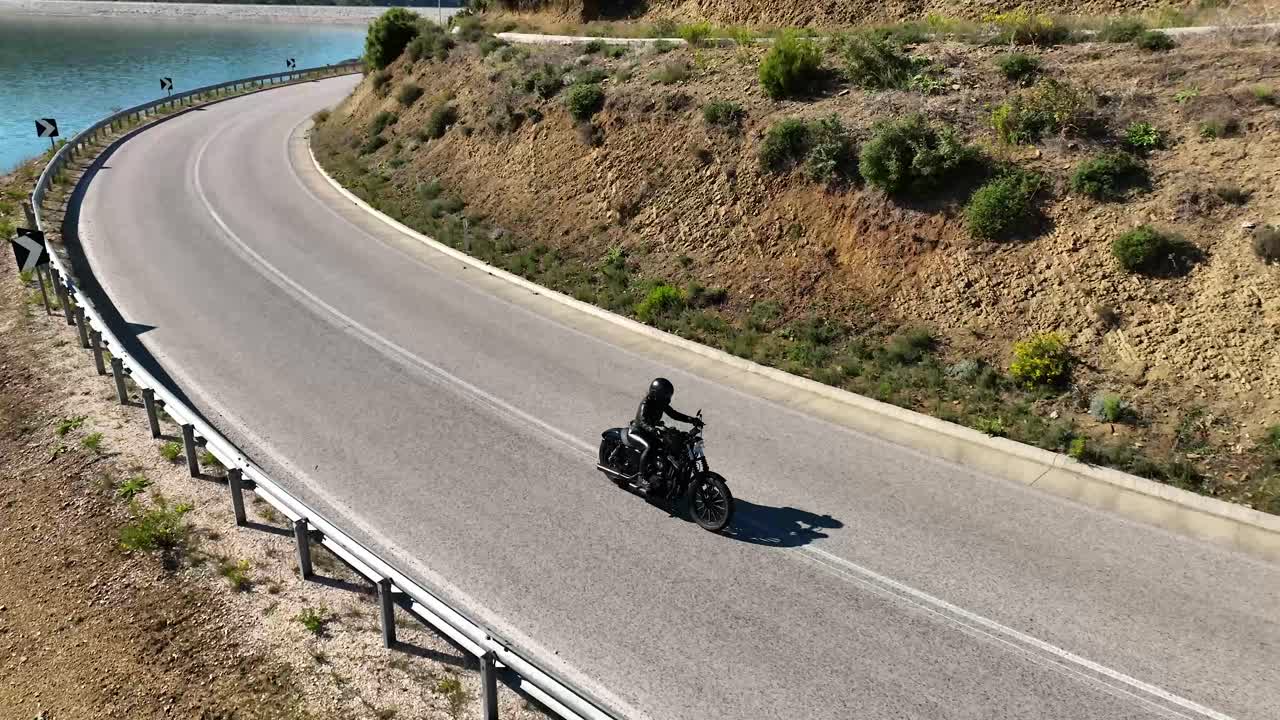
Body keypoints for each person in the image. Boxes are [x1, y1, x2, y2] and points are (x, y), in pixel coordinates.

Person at [629, 377, 702, 494]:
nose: (668, 399)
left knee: (666, 448)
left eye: (668, 396)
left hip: (650, 431)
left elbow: (674, 414)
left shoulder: (660, 403)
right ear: (656, 394)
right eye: (666, 395)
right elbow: (642, 421)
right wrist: (653, 429)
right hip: (638, 431)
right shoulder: (646, 403)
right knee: (650, 447)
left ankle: (661, 474)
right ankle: (641, 478)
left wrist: (691, 420)